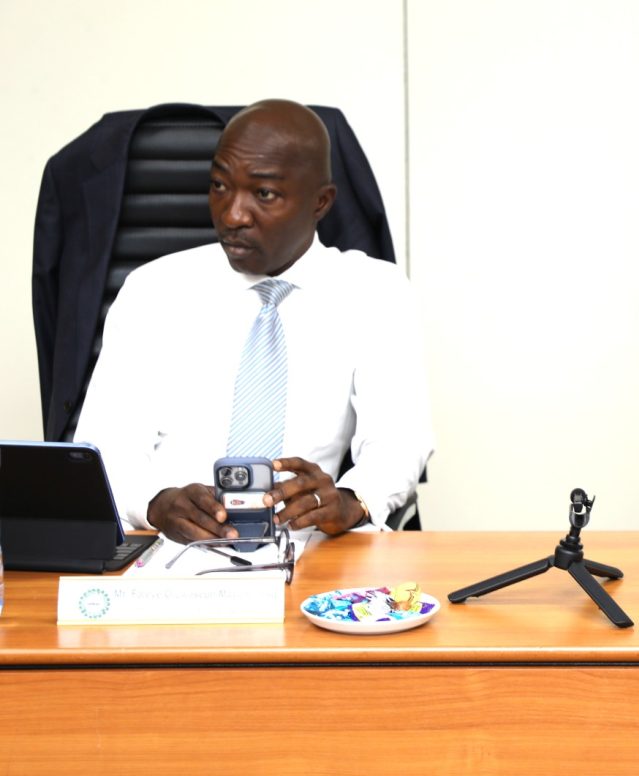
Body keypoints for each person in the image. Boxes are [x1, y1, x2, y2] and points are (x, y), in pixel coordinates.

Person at [75, 99, 432, 543]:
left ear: (320, 202)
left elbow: (397, 443)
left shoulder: (374, 292)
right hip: (166, 552)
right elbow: (103, 448)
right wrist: (153, 503)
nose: (232, 215)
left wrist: (351, 499)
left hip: (303, 551)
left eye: (263, 194)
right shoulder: (152, 289)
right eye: (219, 186)